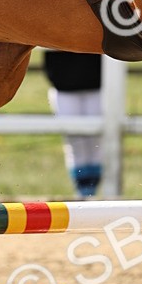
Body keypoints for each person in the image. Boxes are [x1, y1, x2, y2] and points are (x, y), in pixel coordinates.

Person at [44, 50, 103, 199]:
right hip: (63, 81)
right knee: (74, 141)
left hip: (97, 80)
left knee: (97, 142)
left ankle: (92, 192)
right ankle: (84, 192)